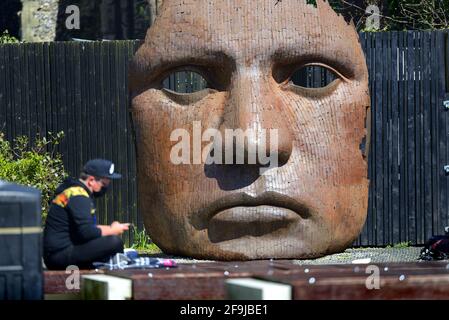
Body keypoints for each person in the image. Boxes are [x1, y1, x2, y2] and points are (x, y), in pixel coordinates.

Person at [43, 159, 130, 270]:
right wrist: (112, 230)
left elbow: (85, 229)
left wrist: (112, 228)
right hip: (59, 257)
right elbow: (86, 232)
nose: (106, 188)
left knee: (111, 239)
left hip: (60, 252)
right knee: (114, 242)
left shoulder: (75, 191)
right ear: (91, 180)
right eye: (104, 184)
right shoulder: (78, 196)